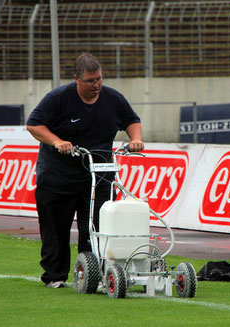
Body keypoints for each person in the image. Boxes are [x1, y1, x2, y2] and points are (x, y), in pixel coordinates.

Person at [26, 52, 144, 288]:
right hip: (58, 177)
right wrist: (57, 141)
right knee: (55, 231)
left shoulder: (112, 98)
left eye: (99, 79)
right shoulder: (58, 98)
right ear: (77, 79)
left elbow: (131, 120)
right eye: (90, 81)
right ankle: (55, 277)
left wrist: (136, 139)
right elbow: (33, 124)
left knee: (96, 229)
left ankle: (94, 275)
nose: (96, 85)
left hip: (99, 175)